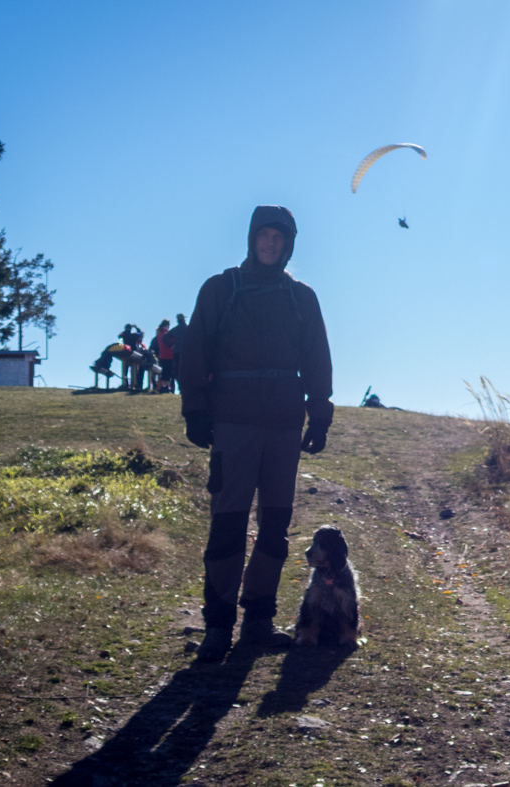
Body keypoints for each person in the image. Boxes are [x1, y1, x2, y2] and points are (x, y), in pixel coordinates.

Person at [179, 205, 333, 662]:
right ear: (252, 239)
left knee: (275, 528)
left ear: (289, 245)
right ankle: (218, 626)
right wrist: (195, 410)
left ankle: (258, 622)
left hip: (285, 427)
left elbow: (317, 359)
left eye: (279, 237)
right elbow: (195, 352)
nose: (271, 243)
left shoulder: (301, 297)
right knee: (226, 525)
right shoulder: (220, 289)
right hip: (234, 425)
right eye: (263, 235)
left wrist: (319, 415)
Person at [149, 319, 176, 393]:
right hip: (169, 355)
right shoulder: (166, 333)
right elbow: (172, 341)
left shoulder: (159, 333)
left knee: (163, 373)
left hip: (162, 355)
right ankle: (167, 387)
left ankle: (161, 387)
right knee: (168, 373)